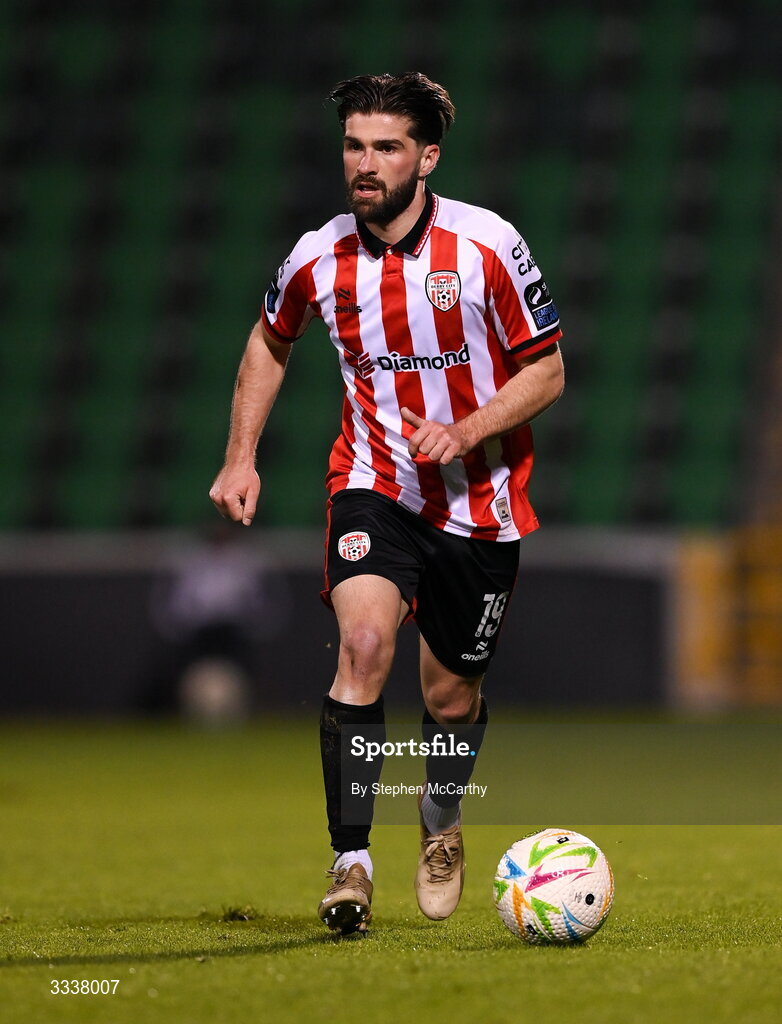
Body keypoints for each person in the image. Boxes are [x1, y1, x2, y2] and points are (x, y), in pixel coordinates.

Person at [209, 72, 564, 936]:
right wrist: (240, 456)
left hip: (479, 505)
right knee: (363, 644)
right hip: (374, 484)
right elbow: (269, 337)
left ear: (427, 156)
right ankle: (351, 861)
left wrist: (470, 427)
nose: (364, 165)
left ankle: (440, 822)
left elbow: (547, 369)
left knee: (448, 701)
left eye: (386, 147)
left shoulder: (486, 246)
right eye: (354, 146)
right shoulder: (316, 256)